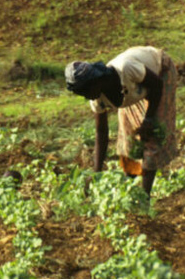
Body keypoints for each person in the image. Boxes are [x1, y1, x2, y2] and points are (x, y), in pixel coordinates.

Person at [65, 46, 178, 195]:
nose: (86, 97)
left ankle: (144, 199)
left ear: (96, 81)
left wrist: (149, 119)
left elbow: (156, 85)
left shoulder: (125, 69)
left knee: (152, 135)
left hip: (159, 73)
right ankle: (129, 188)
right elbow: (101, 134)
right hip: (135, 88)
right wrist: (96, 174)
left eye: (86, 91)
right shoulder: (97, 99)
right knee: (129, 140)